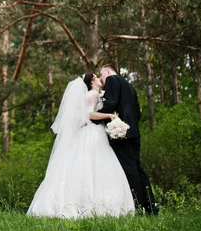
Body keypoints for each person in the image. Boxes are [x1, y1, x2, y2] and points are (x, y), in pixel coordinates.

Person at [27, 73, 135, 218]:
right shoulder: (93, 94)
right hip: (92, 133)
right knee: (96, 165)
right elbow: (89, 114)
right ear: (92, 82)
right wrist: (109, 116)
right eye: (96, 77)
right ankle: (95, 205)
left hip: (88, 131)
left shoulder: (91, 94)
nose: (99, 79)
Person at [97, 64, 159, 215]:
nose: (101, 79)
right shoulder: (130, 86)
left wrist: (95, 115)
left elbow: (111, 103)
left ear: (107, 71)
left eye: (101, 75)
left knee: (129, 171)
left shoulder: (112, 79)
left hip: (121, 134)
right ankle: (151, 207)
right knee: (138, 169)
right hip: (133, 133)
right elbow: (137, 113)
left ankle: (138, 207)